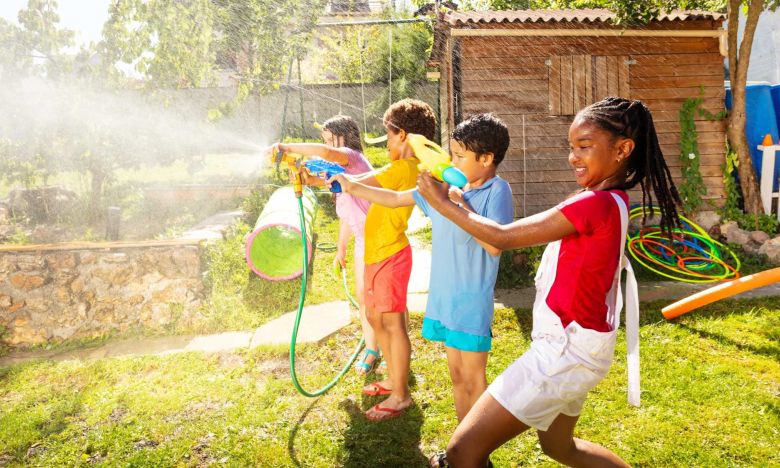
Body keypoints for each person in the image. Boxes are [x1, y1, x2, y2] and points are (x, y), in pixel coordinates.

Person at [419, 97, 681, 467]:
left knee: (461, 453)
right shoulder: (613, 200)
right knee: (560, 447)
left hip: (563, 351)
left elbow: (502, 237)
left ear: (623, 149)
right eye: (571, 147)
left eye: (584, 147)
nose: (574, 157)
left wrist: (445, 204)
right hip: (584, 348)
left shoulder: (594, 204)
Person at [331, 113, 514, 423]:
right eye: (452, 154)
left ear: (486, 158)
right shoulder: (445, 189)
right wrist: (352, 187)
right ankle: (462, 447)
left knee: (474, 381)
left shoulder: (496, 191)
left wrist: (459, 205)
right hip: (445, 299)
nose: (452, 163)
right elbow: (393, 199)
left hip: (470, 304)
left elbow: (495, 243)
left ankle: (477, 452)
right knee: (457, 378)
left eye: (460, 156)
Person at [335, 98, 437, 421]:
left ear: (404, 136)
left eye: (390, 136)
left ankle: (401, 395)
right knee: (377, 318)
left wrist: (345, 182)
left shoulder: (404, 168)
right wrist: (337, 180)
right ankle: (394, 379)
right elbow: (360, 184)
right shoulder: (401, 167)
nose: (388, 143)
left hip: (390, 254)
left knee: (392, 324)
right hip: (378, 253)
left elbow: (367, 184)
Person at [268, 115, 379, 375]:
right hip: (364, 240)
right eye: (325, 140)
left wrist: (287, 147)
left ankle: (395, 347)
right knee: (363, 299)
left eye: (331, 140)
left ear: (346, 138)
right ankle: (373, 349)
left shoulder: (352, 157)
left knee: (384, 302)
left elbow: (326, 153)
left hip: (381, 238)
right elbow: (347, 217)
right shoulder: (341, 175)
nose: (328, 146)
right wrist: (341, 249)